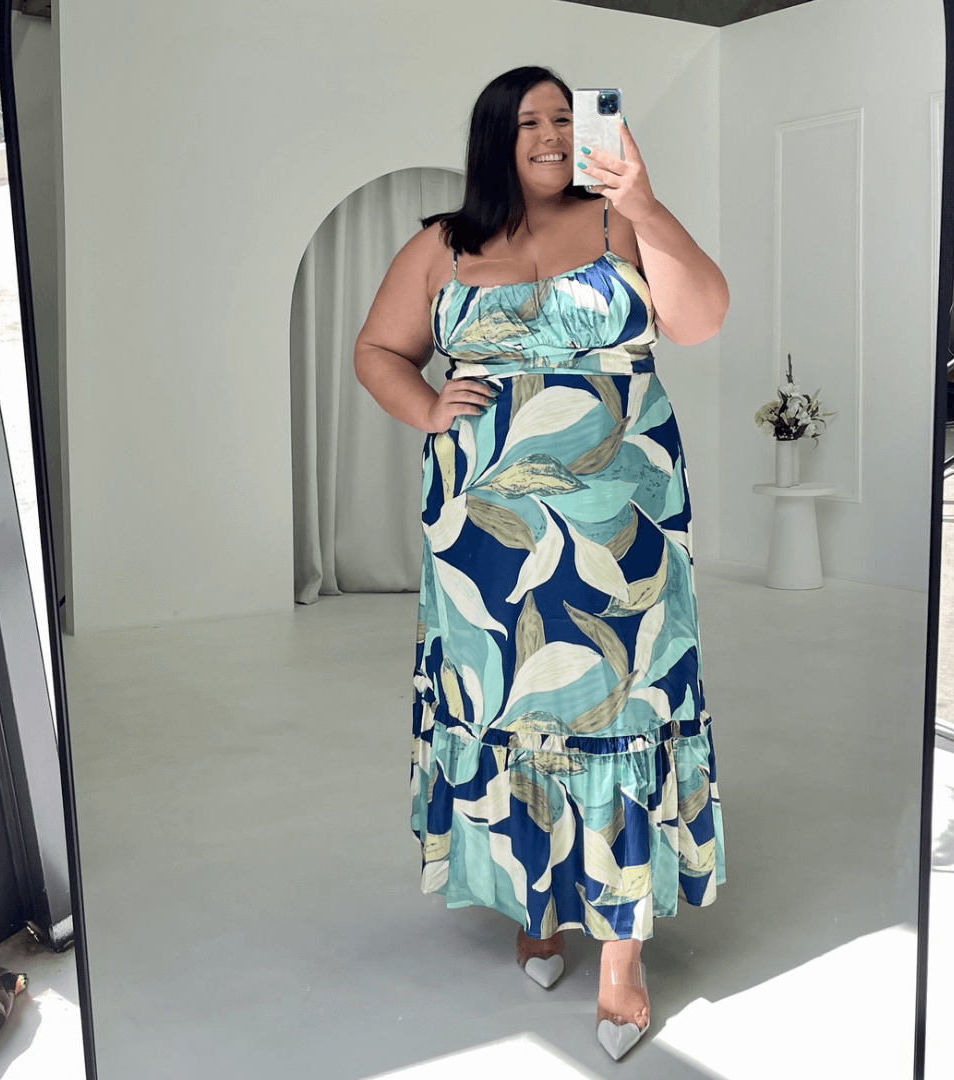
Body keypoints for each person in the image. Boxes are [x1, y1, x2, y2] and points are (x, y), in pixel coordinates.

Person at [353, 66, 728, 1062]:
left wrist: (644, 201)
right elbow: (378, 352)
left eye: (567, 116)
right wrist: (429, 407)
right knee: (512, 705)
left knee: (624, 708)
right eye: (531, 120)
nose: (554, 133)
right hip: (485, 533)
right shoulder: (444, 244)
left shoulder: (621, 223)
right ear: (496, 137)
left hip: (623, 527)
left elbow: (701, 320)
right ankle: (537, 900)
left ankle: (621, 957)